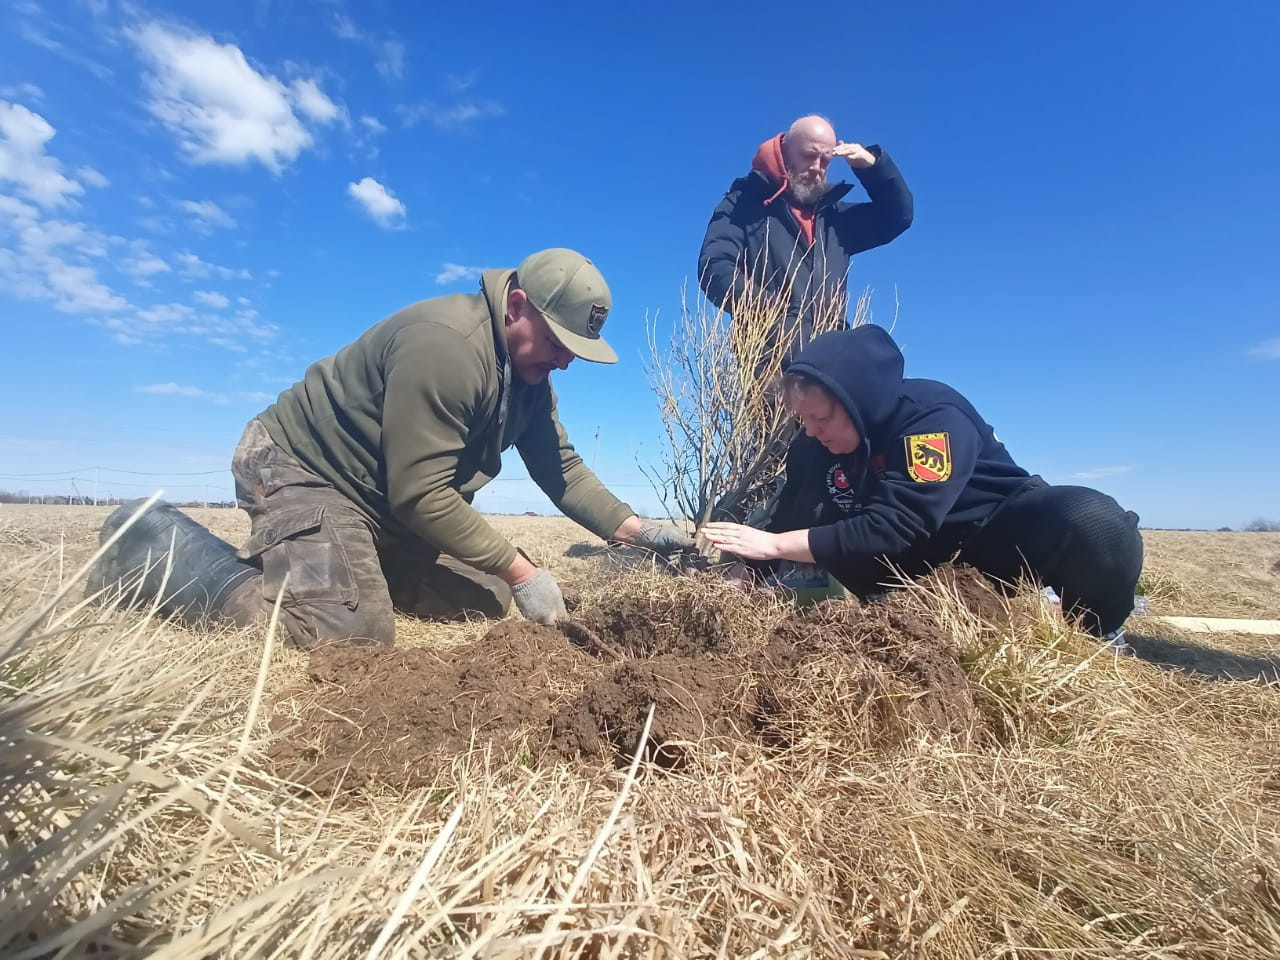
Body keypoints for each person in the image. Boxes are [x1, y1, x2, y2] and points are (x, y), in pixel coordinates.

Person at [90, 248, 694, 647]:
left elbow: (559, 467)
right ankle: (151, 542)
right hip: (303, 469)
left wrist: (638, 531)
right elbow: (422, 493)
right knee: (351, 637)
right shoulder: (448, 347)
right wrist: (523, 569)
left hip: (381, 504)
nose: (566, 360)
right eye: (558, 342)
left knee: (482, 600)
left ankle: (337, 567)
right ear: (517, 307)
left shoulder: (529, 381)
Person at [701, 325, 1145, 647]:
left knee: (1091, 521)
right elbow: (789, 516)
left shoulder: (931, 419)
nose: (812, 432)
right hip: (913, 569)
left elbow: (900, 524)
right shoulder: (813, 445)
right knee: (817, 526)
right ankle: (902, 623)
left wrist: (777, 546)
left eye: (822, 418)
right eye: (804, 420)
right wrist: (749, 573)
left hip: (992, 536)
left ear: (862, 404)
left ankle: (1098, 634)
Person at [697, 115, 914, 356]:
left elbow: (898, 216)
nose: (816, 168)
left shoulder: (836, 221)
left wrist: (873, 167)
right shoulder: (742, 204)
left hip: (829, 365)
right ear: (785, 150)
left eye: (825, 160)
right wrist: (776, 316)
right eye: (809, 156)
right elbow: (714, 267)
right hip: (768, 363)